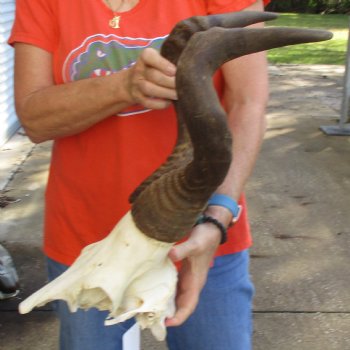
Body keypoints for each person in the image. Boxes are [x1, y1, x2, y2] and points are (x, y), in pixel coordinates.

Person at [9, 0, 270, 349]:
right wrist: (125, 87)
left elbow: (247, 103)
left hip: (198, 234)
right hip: (87, 242)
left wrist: (218, 216)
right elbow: (34, 117)